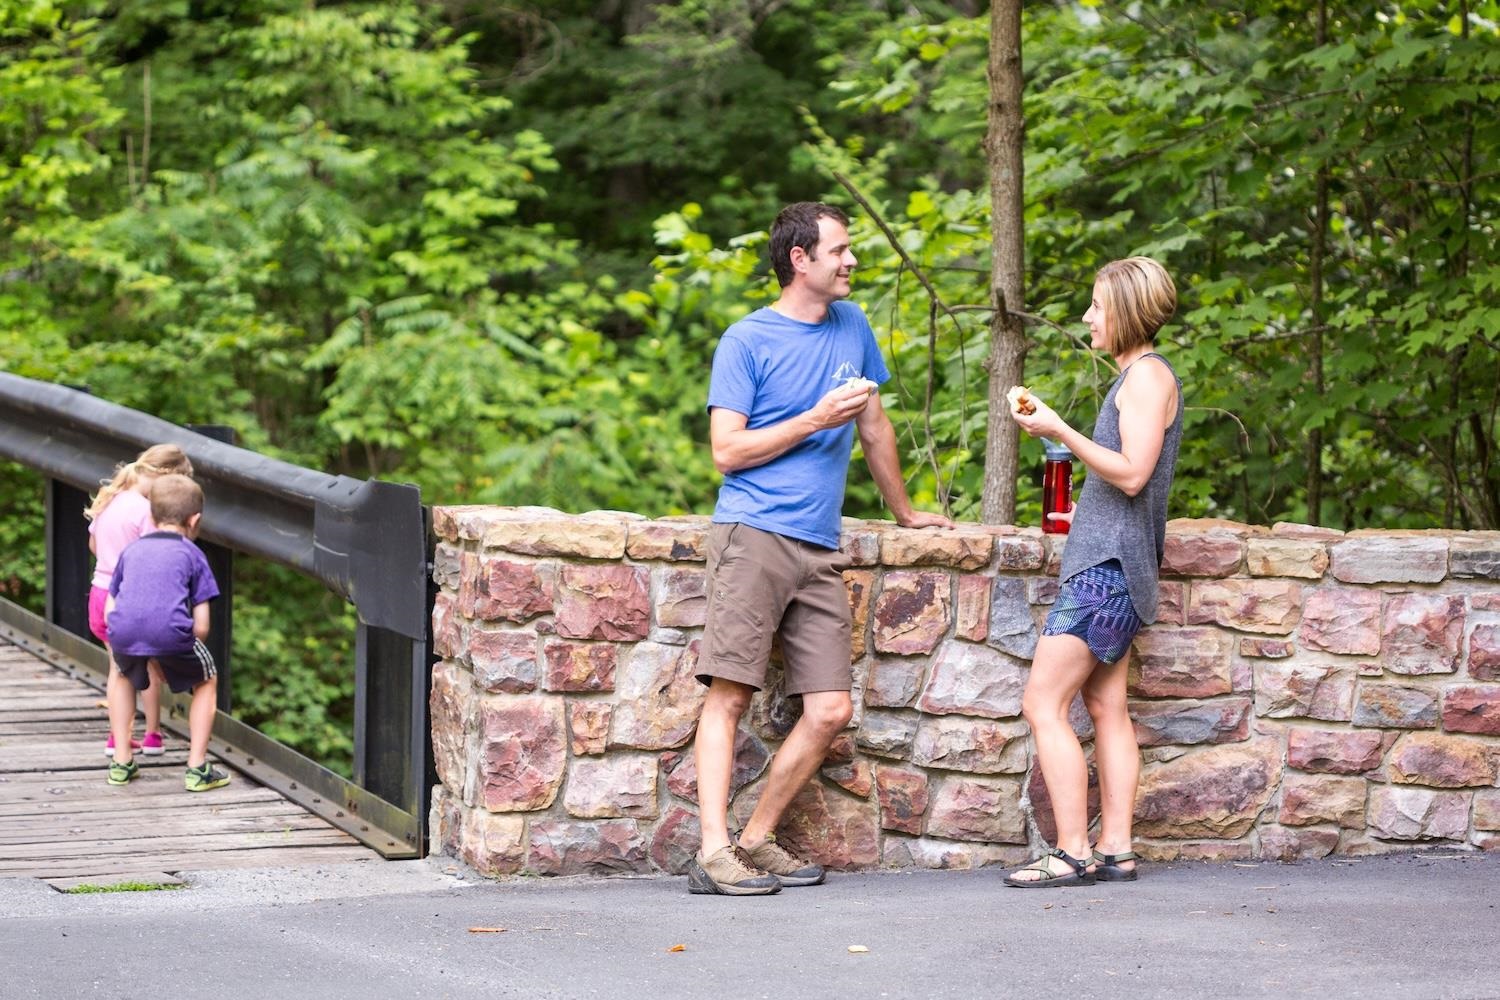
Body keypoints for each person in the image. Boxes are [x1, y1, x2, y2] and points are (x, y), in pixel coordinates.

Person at [688, 201, 952, 896]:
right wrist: (811, 420)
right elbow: (726, 450)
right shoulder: (747, 341)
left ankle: (755, 840)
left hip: (819, 545)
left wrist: (905, 512)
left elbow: (875, 427)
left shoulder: (852, 326)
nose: (852, 260)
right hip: (753, 536)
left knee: (831, 708)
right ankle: (713, 853)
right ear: (799, 259)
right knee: (729, 697)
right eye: (840, 250)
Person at [1003, 256, 1181, 888]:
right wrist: (1086, 507)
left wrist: (1058, 428)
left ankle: (1073, 849)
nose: (1087, 316)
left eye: (1097, 305)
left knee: (1041, 703)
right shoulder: (1143, 379)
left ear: (1127, 310)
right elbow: (1130, 481)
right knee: (1106, 705)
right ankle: (1116, 848)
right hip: (1117, 562)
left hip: (1106, 572)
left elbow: (1133, 471)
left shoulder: (1144, 380)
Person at [104, 473, 230, 792]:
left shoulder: (131, 551)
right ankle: (197, 767)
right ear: (195, 519)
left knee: (122, 675)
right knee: (208, 678)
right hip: (171, 634)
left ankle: (121, 761)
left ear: (151, 515)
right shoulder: (193, 554)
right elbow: (201, 625)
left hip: (121, 631)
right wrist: (171, 650)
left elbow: (111, 606)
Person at [85, 443, 195, 758]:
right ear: (165, 477)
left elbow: (94, 545)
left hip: (99, 594)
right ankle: (152, 735)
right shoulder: (145, 511)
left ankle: (117, 737)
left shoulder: (110, 498)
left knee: (118, 669)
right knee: (146, 667)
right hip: (130, 599)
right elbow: (156, 555)